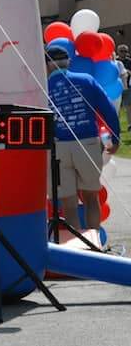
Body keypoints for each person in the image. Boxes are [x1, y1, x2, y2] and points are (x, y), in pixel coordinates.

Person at [46, 45, 120, 230]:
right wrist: (114, 138)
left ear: (48, 65)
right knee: (91, 198)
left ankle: (76, 245)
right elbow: (108, 110)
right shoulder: (86, 80)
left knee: (69, 205)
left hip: (59, 147)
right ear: (68, 62)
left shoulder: (43, 86)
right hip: (87, 143)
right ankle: (94, 245)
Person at [117, 44, 131, 127]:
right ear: (118, 51)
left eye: (125, 51)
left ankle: (129, 124)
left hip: (127, 87)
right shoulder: (115, 61)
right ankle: (117, 124)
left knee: (128, 106)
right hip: (117, 87)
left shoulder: (129, 61)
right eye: (122, 51)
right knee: (117, 107)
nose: (123, 53)